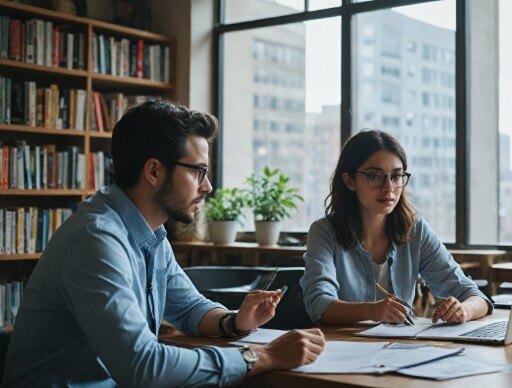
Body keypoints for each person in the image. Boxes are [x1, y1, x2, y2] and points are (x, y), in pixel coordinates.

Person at [3, 100, 325, 387]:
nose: (208, 186)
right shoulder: (96, 241)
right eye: (199, 172)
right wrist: (258, 357)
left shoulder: (151, 234)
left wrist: (233, 321)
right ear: (154, 171)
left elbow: (188, 307)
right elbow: (142, 367)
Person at [300, 130, 491, 326]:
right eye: (374, 176)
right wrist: (372, 310)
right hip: (344, 349)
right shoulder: (324, 232)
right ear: (349, 181)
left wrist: (463, 310)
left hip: (401, 350)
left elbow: (476, 297)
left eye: (397, 176)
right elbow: (319, 306)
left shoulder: (416, 231)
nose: (389, 187)